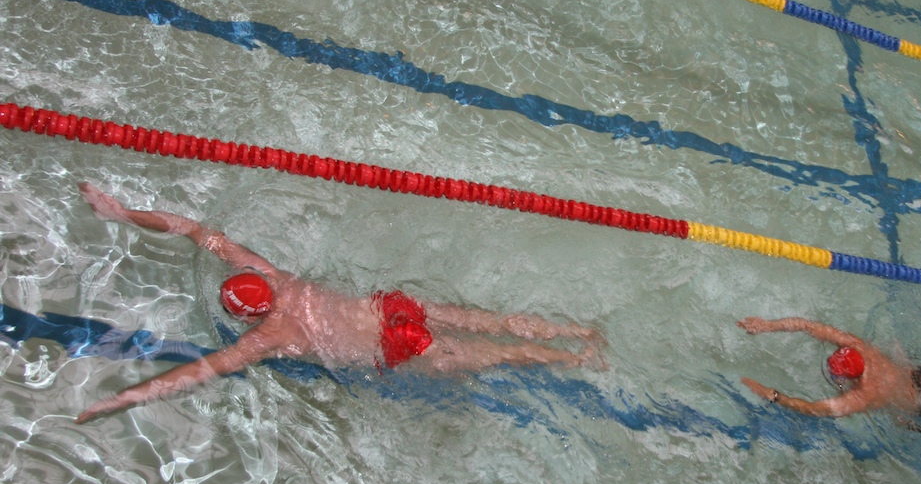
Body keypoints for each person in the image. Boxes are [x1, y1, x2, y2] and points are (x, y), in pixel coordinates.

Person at [74, 182, 604, 422]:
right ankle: (576, 332)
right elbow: (196, 230)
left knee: (497, 356)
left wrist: (121, 400)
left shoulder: (268, 336)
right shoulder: (272, 274)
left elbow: (198, 371)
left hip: (399, 348)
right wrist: (123, 212)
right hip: (392, 309)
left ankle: (579, 360)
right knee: (488, 322)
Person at [737, 316, 921, 431]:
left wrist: (773, 396)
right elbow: (808, 326)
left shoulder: (862, 396)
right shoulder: (860, 347)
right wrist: (768, 326)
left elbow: (813, 409)